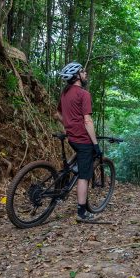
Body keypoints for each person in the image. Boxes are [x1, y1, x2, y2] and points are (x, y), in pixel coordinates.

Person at [56, 61, 102, 221]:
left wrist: (68, 125)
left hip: (71, 137)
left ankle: (72, 171)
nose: (85, 74)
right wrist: (95, 144)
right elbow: (88, 121)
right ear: (76, 76)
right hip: (82, 139)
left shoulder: (65, 93)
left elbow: (58, 114)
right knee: (84, 175)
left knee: (79, 161)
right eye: (83, 72)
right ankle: (82, 212)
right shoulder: (84, 94)